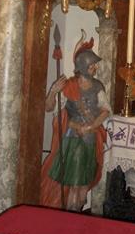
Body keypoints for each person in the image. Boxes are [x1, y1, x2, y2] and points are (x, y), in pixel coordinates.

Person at [41, 39, 111, 211]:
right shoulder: (69, 86)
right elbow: (50, 109)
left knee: (84, 185)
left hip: (90, 139)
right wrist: (53, 91)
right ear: (84, 66)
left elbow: (105, 110)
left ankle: (76, 214)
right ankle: (70, 217)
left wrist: (90, 127)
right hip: (72, 140)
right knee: (74, 184)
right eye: (92, 65)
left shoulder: (98, 86)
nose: (95, 67)